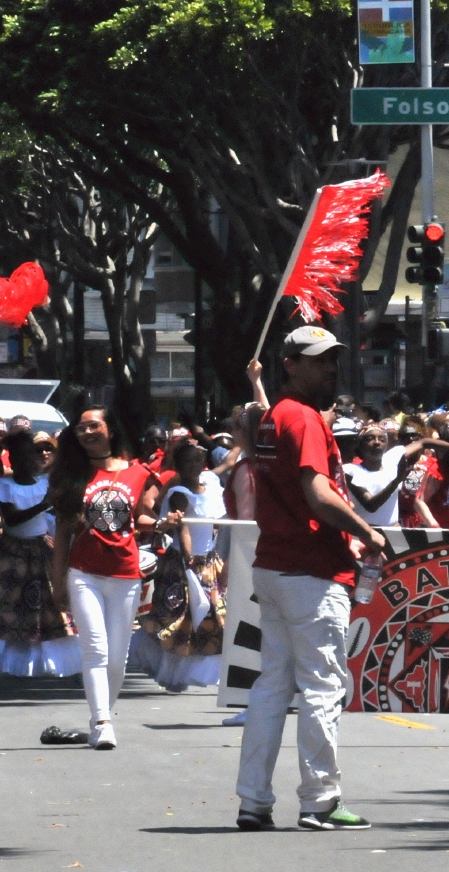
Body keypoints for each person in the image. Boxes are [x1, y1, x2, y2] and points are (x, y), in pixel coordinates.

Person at [238, 326, 386, 832]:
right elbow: (319, 494)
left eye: (333, 360)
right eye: (320, 360)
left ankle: (253, 800)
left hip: (277, 565)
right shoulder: (300, 418)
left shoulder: (277, 415)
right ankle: (320, 800)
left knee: (272, 686)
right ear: (290, 363)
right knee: (322, 686)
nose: (330, 368)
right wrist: (369, 531)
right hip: (310, 570)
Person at [47, 407, 160, 751]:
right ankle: (102, 721)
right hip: (84, 574)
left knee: (116, 656)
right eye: (80, 428)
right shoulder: (72, 477)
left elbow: (141, 516)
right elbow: (63, 533)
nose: (86, 432)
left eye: (93, 425)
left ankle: (102, 712)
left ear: (111, 430)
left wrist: (162, 522)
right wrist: (58, 581)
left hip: (126, 575)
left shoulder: (138, 472)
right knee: (94, 648)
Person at [0, 427, 78, 683]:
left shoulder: (46, 484)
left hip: (41, 550)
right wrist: (44, 504)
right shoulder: (3, 487)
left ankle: (73, 665)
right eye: (19, 456)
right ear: (12, 458)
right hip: (12, 552)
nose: (27, 461)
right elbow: (12, 518)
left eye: (30, 455)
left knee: (51, 607)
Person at [136, 442, 229, 691]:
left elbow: (217, 524)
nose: (194, 466)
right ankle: (173, 670)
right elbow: (184, 528)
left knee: (209, 618)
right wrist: (190, 561)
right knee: (179, 619)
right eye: (188, 462)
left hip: (209, 560)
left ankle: (197, 670)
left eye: (197, 460)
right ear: (179, 466)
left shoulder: (211, 489)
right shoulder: (179, 492)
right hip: (184, 564)